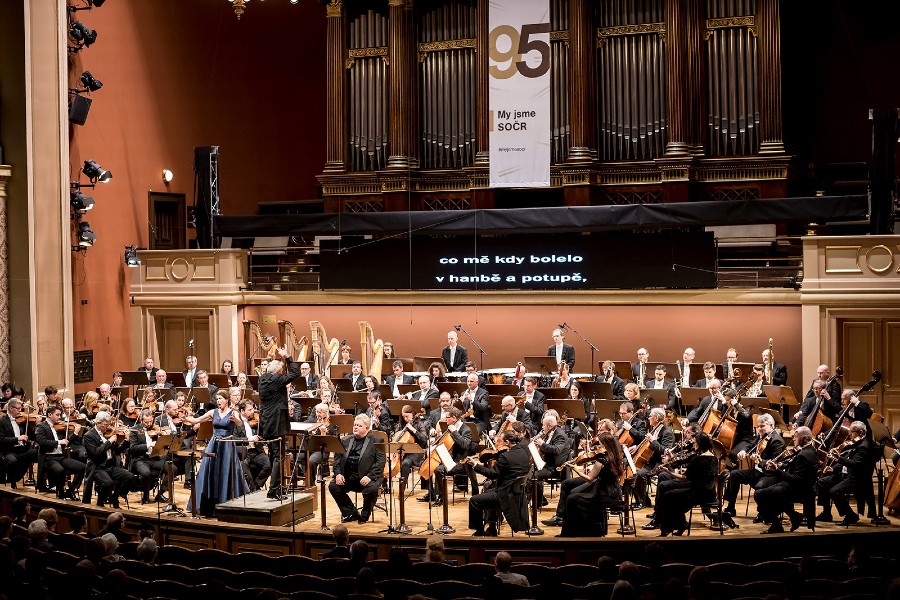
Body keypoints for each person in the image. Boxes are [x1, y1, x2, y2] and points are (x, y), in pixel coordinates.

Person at [185, 392, 248, 516]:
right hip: (214, 443)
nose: (218, 401)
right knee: (209, 471)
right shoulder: (213, 412)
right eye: (217, 399)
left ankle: (226, 503)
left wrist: (236, 420)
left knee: (226, 472)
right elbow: (196, 420)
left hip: (227, 444)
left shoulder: (233, 412)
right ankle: (208, 505)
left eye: (220, 399)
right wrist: (186, 418)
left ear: (227, 400)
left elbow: (240, 424)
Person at [559, 433, 625, 537]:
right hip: (614, 492)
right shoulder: (616, 456)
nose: (598, 446)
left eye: (600, 443)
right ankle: (585, 528)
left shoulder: (601, 460)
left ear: (604, 444)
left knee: (571, 499)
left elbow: (589, 479)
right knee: (574, 494)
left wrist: (575, 469)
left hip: (603, 494)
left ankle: (571, 532)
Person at [756, 425, 820, 533]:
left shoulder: (803, 455)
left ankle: (777, 525)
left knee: (760, 494)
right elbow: (794, 465)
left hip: (798, 489)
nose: (793, 438)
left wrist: (776, 470)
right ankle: (794, 516)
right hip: (802, 486)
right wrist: (782, 465)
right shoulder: (810, 450)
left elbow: (796, 479)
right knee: (768, 493)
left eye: (796, 436)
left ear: (805, 438)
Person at [469, 429, 532, 536]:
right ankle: (491, 527)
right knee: (488, 490)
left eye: (501, 441)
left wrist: (475, 465)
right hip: (517, 493)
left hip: (505, 495)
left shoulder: (505, 457)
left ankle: (479, 531)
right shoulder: (524, 453)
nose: (500, 443)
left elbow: (492, 474)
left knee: (474, 500)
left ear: (507, 442)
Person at [654, 433, 719, 536]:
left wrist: (669, 472)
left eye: (695, 443)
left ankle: (668, 528)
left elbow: (685, 478)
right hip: (710, 493)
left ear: (700, 444)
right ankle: (680, 524)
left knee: (669, 495)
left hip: (698, 493)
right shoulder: (714, 458)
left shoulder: (697, 459)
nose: (693, 445)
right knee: (674, 496)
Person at [722, 412, 786, 517]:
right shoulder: (761, 437)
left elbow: (775, 463)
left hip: (770, 475)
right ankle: (731, 507)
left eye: (762, 426)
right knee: (734, 474)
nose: (760, 429)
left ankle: (763, 512)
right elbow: (749, 445)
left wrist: (760, 461)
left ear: (771, 425)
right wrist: (743, 451)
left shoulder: (777, 441)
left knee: (760, 486)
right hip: (757, 472)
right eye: (758, 426)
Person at [258, 345, 301, 499]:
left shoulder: (262, 378)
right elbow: (296, 372)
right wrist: (288, 356)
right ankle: (273, 490)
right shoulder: (277, 380)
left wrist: (271, 358)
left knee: (273, 455)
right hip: (277, 422)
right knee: (279, 456)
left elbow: (269, 369)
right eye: (281, 370)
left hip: (266, 422)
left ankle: (276, 487)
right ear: (278, 372)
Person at [329, 414, 386, 524]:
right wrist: (338, 474)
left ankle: (364, 516)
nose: (355, 427)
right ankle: (351, 513)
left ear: (367, 428)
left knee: (372, 490)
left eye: (359, 425)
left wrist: (369, 476)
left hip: (367, 478)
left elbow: (380, 462)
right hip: (348, 478)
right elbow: (337, 459)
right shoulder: (345, 440)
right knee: (333, 486)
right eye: (355, 425)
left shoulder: (377, 440)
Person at [816, 420, 874, 526]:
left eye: (852, 432)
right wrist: (833, 469)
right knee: (822, 482)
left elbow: (855, 464)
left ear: (860, 433)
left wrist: (839, 458)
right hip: (845, 475)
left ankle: (850, 515)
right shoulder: (855, 443)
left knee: (834, 492)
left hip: (856, 478)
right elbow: (845, 461)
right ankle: (826, 513)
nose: (849, 434)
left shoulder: (864, 447)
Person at [422, 407, 478, 504]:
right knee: (430, 465)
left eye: (447, 417)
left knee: (438, 470)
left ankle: (441, 497)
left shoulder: (466, 430)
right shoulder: (450, 427)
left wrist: (455, 432)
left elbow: (465, 445)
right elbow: (443, 440)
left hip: (461, 462)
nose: (444, 419)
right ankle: (431, 494)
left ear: (454, 418)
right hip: (449, 459)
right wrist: (433, 442)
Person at [623, 407, 674, 510]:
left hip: (659, 462)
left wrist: (653, 441)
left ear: (656, 418)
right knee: (628, 465)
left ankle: (641, 502)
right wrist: (636, 447)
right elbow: (647, 445)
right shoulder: (654, 428)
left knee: (640, 474)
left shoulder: (667, 432)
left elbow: (665, 451)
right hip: (650, 460)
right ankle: (644, 499)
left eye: (650, 416)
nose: (648, 418)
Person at [83, 412, 134, 508]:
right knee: (108, 483)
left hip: (111, 465)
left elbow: (117, 451)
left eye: (108, 424)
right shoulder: (89, 436)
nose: (108, 427)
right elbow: (96, 453)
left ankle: (114, 496)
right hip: (98, 467)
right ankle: (100, 503)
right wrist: (109, 441)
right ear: (98, 423)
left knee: (129, 476)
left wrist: (126, 441)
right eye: (105, 424)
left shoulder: (106, 434)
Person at [35, 405, 84, 499]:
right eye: (57, 415)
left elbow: (66, 442)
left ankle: (71, 491)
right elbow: (42, 441)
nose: (59, 417)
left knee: (82, 467)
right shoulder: (41, 426)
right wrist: (58, 442)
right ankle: (61, 493)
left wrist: (75, 433)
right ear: (49, 414)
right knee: (60, 470)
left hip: (60, 457)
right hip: (48, 458)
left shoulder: (58, 428)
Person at [127, 410, 168, 504]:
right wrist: (149, 445)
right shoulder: (134, 430)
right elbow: (132, 448)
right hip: (140, 459)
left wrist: (161, 437)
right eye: (146, 422)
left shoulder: (155, 429)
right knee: (145, 473)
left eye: (151, 421)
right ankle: (145, 496)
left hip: (154, 458)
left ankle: (160, 494)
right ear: (141, 420)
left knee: (171, 468)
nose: (149, 424)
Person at [531, 412, 570, 506]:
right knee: (529, 471)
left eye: (543, 425)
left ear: (549, 425)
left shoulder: (560, 435)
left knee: (533, 476)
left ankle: (538, 501)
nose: (542, 427)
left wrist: (542, 444)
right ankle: (540, 500)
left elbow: (556, 450)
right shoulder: (551, 432)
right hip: (546, 463)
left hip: (553, 467)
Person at [233, 399, 271, 491]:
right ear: (242, 411)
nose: (253, 411)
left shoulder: (254, 422)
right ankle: (251, 489)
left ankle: (256, 486)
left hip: (256, 450)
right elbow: (234, 439)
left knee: (269, 464)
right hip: (244, 452)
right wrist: (249, 439)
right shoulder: (236, 423)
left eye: (253, 409)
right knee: (244, 468)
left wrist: (259, 438)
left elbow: (263, 436)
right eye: (249, 410)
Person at [0, 398, 38, 488]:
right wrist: (18, 438)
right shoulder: (2, 421)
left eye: (20, 408)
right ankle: (12, 482)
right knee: (12, 460)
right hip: (9, 450)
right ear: (10, 408)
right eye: (18, 408)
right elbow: (1, 439)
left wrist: (36, 425)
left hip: (22, 449)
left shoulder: (22, 421)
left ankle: (16, 478)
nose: (20, 411)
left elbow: (33, 436)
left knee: (34, 453)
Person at [395, 404, 430, 489]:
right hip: (404, 451)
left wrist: (413, 430)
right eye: (403, 417)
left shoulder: (419, 424)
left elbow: (424, 439)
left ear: (412, 414)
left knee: (405, 464)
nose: (405, 419)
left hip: (417, 451)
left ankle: (401, 490)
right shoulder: (402, 424)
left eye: (407, 416)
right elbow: (395, 435)